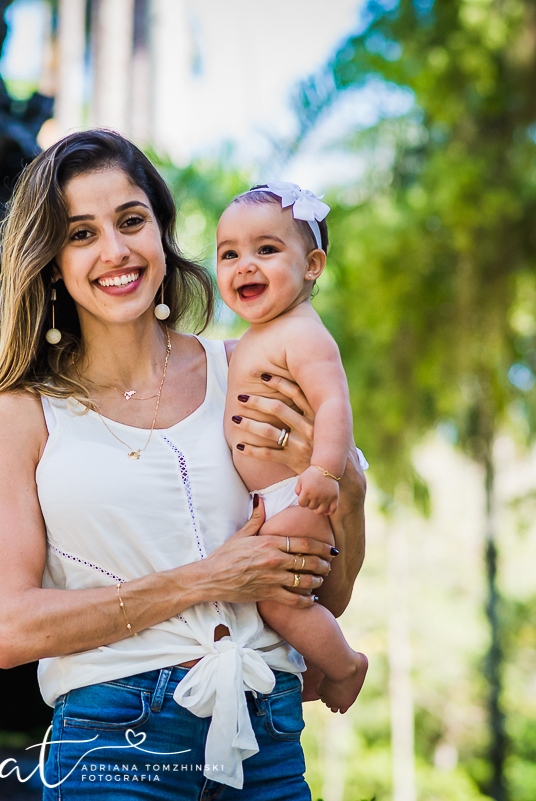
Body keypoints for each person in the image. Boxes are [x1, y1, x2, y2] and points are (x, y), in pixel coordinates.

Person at [0, 130, 367, 798]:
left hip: (265, 736)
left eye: (131, 221)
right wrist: (206, 579)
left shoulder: (248, 370)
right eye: (81, 234)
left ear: (161, 231)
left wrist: (349, 495)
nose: (115, 251)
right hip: (113, 743)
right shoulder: (18, 413)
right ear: (52, 262)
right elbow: (9, 629)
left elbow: (325, 594)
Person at [218, 183, 369, 714]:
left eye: (266, 249)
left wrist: (325, 471)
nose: (245, 265)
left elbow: (332, 404)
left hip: (300, 491)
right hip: (280, 495)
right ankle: (314, 664)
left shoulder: (303, 334)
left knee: (278, 600)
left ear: (312, 266)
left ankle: (345, 664)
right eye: (229, 254)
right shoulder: (257, 334)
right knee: (287, 597)